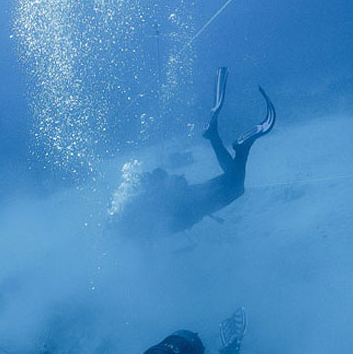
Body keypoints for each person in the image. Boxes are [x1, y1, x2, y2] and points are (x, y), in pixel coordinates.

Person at [109, 68, 276, 236]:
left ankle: (238, 147)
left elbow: (162, 220)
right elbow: (159, 180)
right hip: (188, 198)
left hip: (190, 205)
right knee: (232, 179)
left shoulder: (136, 230)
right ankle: (220, 139)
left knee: (235, 187)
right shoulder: (135, 210)